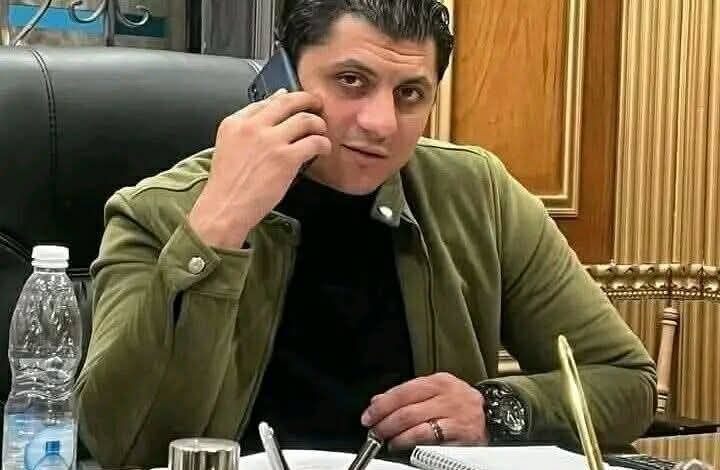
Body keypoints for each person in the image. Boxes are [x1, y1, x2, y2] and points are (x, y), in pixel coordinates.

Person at [75, 0, 657, 467]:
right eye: (351, 80)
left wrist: (497, 408)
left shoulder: (477, 193)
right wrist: (220, 225)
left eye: (410, 94)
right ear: (283, 79)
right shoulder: (157, 210)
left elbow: (626, 381)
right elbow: (121, 443)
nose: (380, 123)